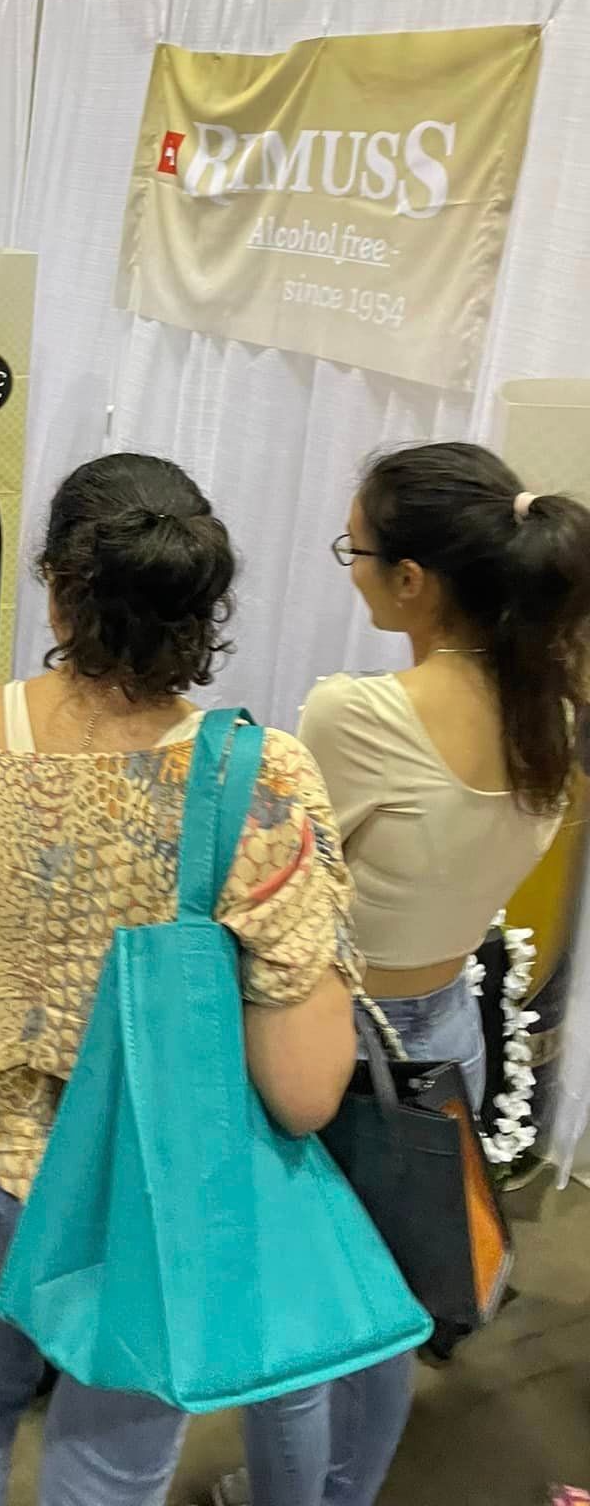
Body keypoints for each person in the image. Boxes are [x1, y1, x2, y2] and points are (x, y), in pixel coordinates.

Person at [0, 452, 359, 1506]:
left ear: (52, 581)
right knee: (113, 1455)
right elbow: (308, 1090)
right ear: (199, 606)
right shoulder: (256, 777)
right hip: (153, 1189)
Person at [229, 442, 590, 1506]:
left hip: (336, 1043)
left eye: (359, 548)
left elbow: (277, 887)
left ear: (414, 581)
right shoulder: (551, 719)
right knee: (391, 1304)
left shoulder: (359, 713)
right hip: (448, 1043)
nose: (350, 566)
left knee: (295, 1323)